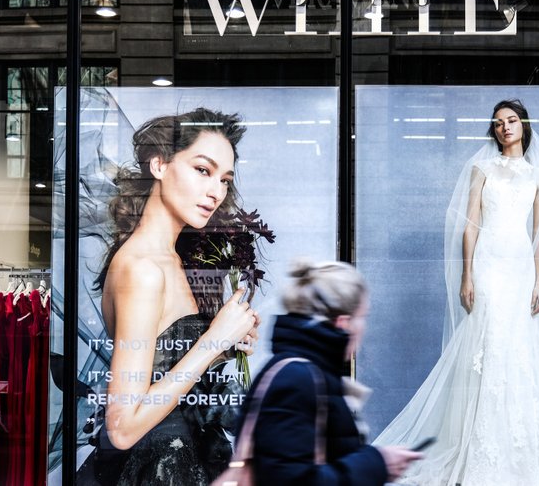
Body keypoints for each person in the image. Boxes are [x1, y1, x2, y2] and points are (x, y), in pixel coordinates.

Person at [374, 99, 539, 485]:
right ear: (494, 130)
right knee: (487, 342)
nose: (505, 127)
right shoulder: (481, 168)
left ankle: (522, 450)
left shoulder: (538, 175)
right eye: (499, 122)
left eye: (512, 120)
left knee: (520, 345)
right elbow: (469, 225)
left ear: (524, 126)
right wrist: (466, 275)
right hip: (488, 263)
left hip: (519, 265)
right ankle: (478, 444)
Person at [86, 108, 259, 485]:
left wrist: (225, 345)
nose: (216, 192)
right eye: (203, 170)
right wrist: (214, 339)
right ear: (159, 165)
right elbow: (122, 426)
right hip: (159, 468)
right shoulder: (142, 268)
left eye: (225, 180)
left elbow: (164, 369)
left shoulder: (170, 260)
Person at [235, 260, 422, 485]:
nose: (365, 327)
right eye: (363, 317)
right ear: (343, 323)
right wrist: (377, 464)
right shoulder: (297, 377)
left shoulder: (308, 372)